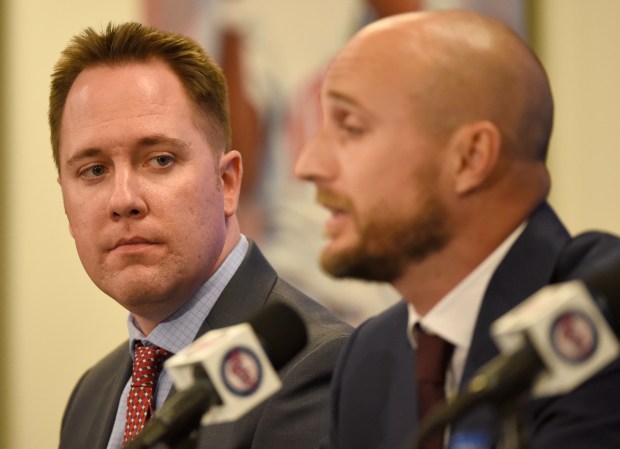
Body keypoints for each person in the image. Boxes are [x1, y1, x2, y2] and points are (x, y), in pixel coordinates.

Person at [295, 9, 620, 449]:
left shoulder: (601, 310)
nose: (308, 165)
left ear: (470, 158)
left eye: (351, 127)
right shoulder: (369, 359)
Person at [49, 22, 351, 449]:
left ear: (227, 183)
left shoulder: (314, 370)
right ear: (66, 202)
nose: (123, 199)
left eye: (159, 160)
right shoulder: (91, 395)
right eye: (94, 170)